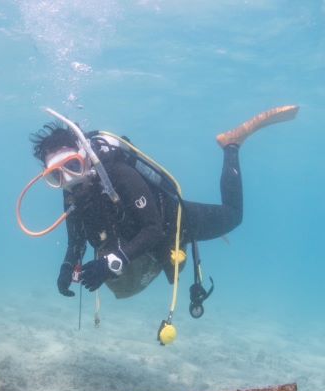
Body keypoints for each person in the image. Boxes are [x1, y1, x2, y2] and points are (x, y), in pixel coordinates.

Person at [22, 105, 299, 314]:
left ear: (83, 156)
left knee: (233, 216)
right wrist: (67, 267)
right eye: (56, 176)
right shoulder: (72, 192)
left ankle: (231, 145)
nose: (69, 179)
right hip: (138, 243)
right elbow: (77, 239)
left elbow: (153, 229)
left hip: (176, 221)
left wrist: (109, 264)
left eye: (72, 166)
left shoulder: (116, 172)